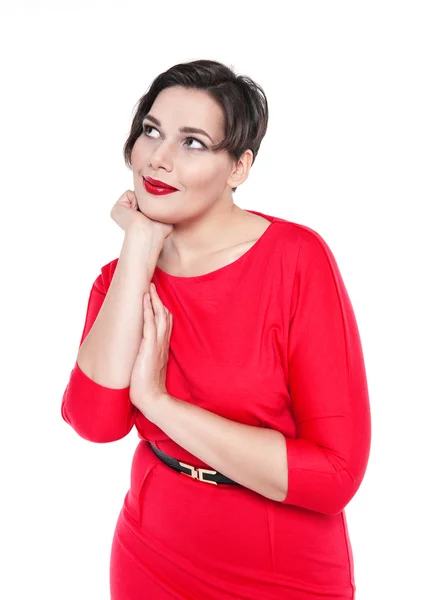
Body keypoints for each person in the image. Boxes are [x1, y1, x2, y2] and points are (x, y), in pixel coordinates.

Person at [61, 59, 371, 600]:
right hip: (149, 555)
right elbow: (95, 422)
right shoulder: (119, 279)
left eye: (194, 142)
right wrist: (138, 246)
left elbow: (334, 476)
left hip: (282, 570)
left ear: (239, 168)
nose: (158, 158)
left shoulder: (297, 260)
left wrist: (158, 404)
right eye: (151, 131)